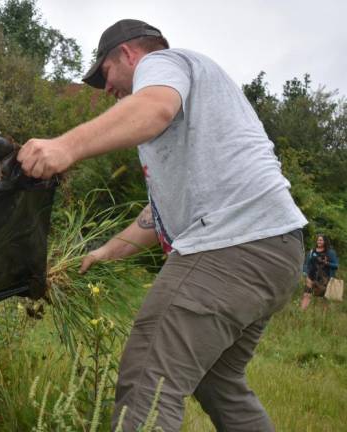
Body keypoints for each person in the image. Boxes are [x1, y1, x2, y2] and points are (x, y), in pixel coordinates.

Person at [17, 19, 308, 431]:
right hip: (276, 248)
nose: (109, 91)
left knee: (147, 379)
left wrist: (66, 146)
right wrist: (104, 252)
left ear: (129, 54)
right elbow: (157, 220)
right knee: (218, 382)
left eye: (106, 76)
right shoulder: (189, 125)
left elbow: (154, 108)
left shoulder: (164, 64)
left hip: (232, 245)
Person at [301, 234, 339, 310]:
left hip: (324, 279)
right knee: (306, 294)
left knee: (325, 297)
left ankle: (323, 316)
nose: (319, 241)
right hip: (311, 277)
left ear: (325, 241)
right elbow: (306, 264)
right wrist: (305, 273)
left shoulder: (330, 252)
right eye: (318, 240)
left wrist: (326, 263)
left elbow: (336, 265)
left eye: (321, 240)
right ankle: (302, 311)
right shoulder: (312, 251)